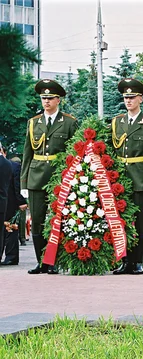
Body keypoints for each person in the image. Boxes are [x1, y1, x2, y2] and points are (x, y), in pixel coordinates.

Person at [22, 79, 78, 274]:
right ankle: (41, 262)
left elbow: (74, 153)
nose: (46, 101)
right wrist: (24, 182)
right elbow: (27, 154)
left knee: (57, 220)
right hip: (36, 177)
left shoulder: (69, 122)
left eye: (50, 98)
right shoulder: (33, 123)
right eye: (43, 98)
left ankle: (53, 261)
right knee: (37, 220)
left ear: (58, 100)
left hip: (58, 178)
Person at [111, 78, 143, 275]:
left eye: (132, 97)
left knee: (140, 221)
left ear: (140, 99)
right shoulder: (117, 122)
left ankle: (138, 261)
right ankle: (125, 261)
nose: (128, 100)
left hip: (140, 178)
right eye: (126, 97)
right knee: (121, 221)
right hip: (120, 180)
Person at [1, 146, 27, 265]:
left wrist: (21, 201)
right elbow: (18, 185)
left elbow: (18, 185)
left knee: (10, 229)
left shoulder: (14, 166)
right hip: (10, 201)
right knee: (10, 229)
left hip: (10, 201)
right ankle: (11, 256)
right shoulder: (14, 166)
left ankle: (11, 256)